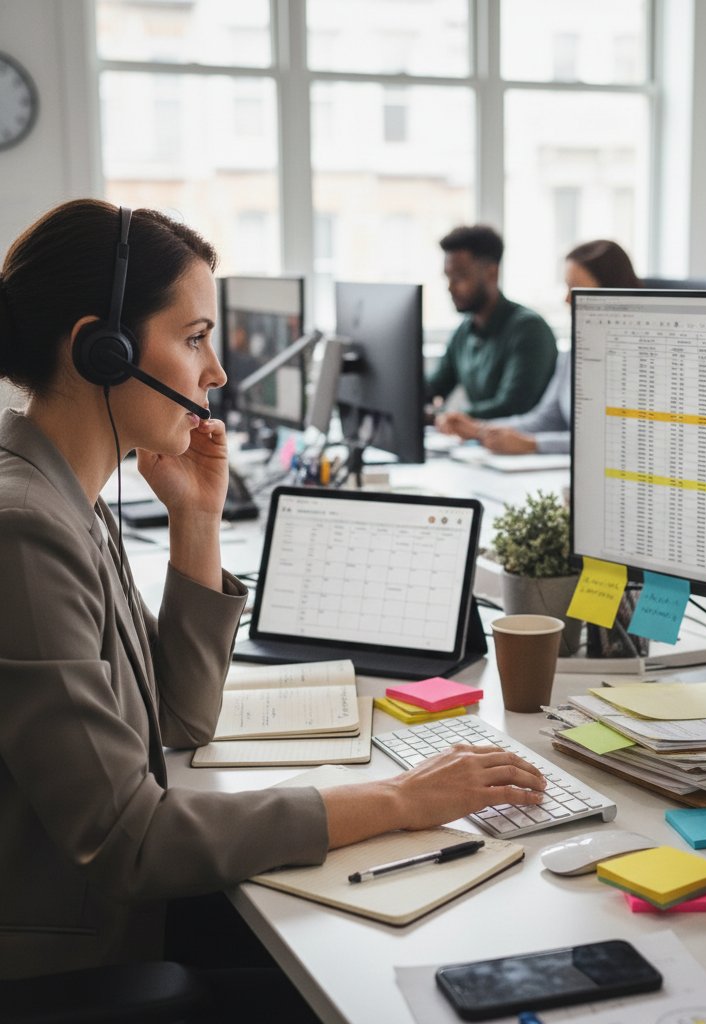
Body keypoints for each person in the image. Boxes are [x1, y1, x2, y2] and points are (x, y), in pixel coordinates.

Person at [0, 200, 546, 996]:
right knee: (390, 981)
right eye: (194, 339)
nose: (216, 372)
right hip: (83, 958)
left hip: (123, 913)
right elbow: (130, 838)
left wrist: (196, 520)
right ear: (104, 351)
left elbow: (177, 722)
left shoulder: (67, 498)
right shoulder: (25, 528)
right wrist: (397, 797)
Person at [436, 240, 641, 454]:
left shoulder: (640, 361)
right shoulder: (577, 350)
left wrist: (534, 445)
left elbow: (615, 440)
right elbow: (547, 418)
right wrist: (480, 429)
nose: (567, 299)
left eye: (576, 289)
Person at [426, 225, 557, 420]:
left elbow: (512, 407)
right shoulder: (464, 331)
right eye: (448, 277)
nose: (450, 287)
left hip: (518, 445)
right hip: (481, 444)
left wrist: (444, 416)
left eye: (460, 277)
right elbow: (434, 387)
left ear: (491, 273)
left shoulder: (528, 328)